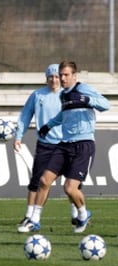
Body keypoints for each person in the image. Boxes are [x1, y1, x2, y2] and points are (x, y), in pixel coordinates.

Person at [18, 60, 110, 234]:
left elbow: (106, 104)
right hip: (65, 144)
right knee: (44, 180)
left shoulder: (83, 89)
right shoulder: (63, 95)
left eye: (66, 75)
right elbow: (63, 114)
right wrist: (49, 125)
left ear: (74, 76)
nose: (62, 78)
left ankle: (83, 214)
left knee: (69, 188)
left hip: (83, 145)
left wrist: (87, 99)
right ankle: (35, 220)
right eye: (61, 75)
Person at [14, 64, 79, 228]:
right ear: (46, 78)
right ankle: (30, 215)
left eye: (57, 76)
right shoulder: (37, 95)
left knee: (71, 182)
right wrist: (18, 136)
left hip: (66, 143)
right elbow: (25, 116)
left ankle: (76, 214)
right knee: (37, 181)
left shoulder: (69, 95)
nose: (54, 80)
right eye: (51, 77)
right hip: (45, 145)